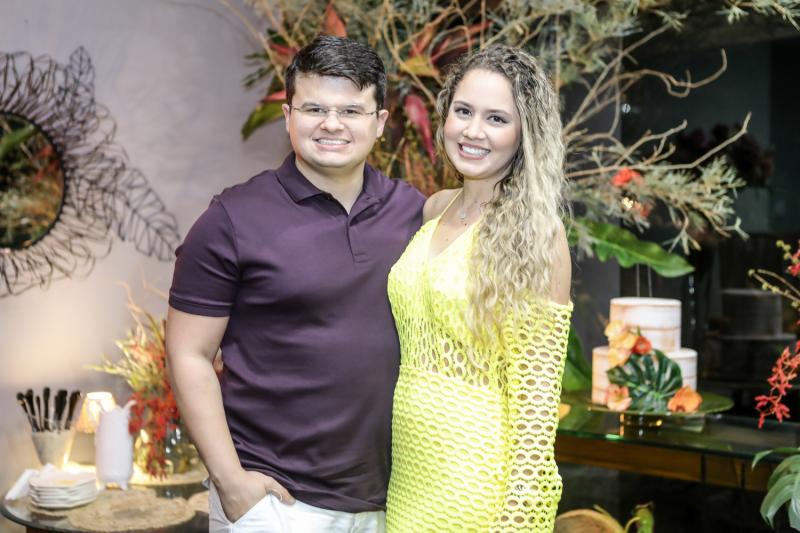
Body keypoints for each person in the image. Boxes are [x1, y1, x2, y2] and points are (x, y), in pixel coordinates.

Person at [166, 36, 424, 532]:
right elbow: (188, 354)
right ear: (288, 116)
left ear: (380, 123)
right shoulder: (232, 218)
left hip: (393, 504)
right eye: (314, 108)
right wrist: (231, 483)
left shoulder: (410, 211)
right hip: (278, 504)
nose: (332, 124)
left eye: (351, 110)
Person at [385, 46, 573, 532]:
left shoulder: (539, 234)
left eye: (496, 119)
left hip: (479, 489)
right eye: (464, 111)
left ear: (524, 134)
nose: (473, 130)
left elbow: (537, 409)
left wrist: (517, 518)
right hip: (408, 482)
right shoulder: (435, 209)